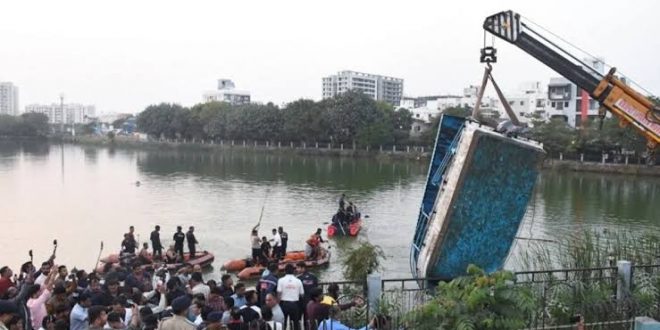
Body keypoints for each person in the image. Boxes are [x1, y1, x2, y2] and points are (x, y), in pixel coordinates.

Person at [277, 264, 304, 330]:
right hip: (295, 304)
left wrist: (278, 303)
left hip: (284, 304)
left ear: (284, 271)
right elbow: (302, 294)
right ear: (293, 271)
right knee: (295, 324)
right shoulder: (298, 281)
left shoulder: (280, 280)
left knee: (283, 323)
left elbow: (279, 293)